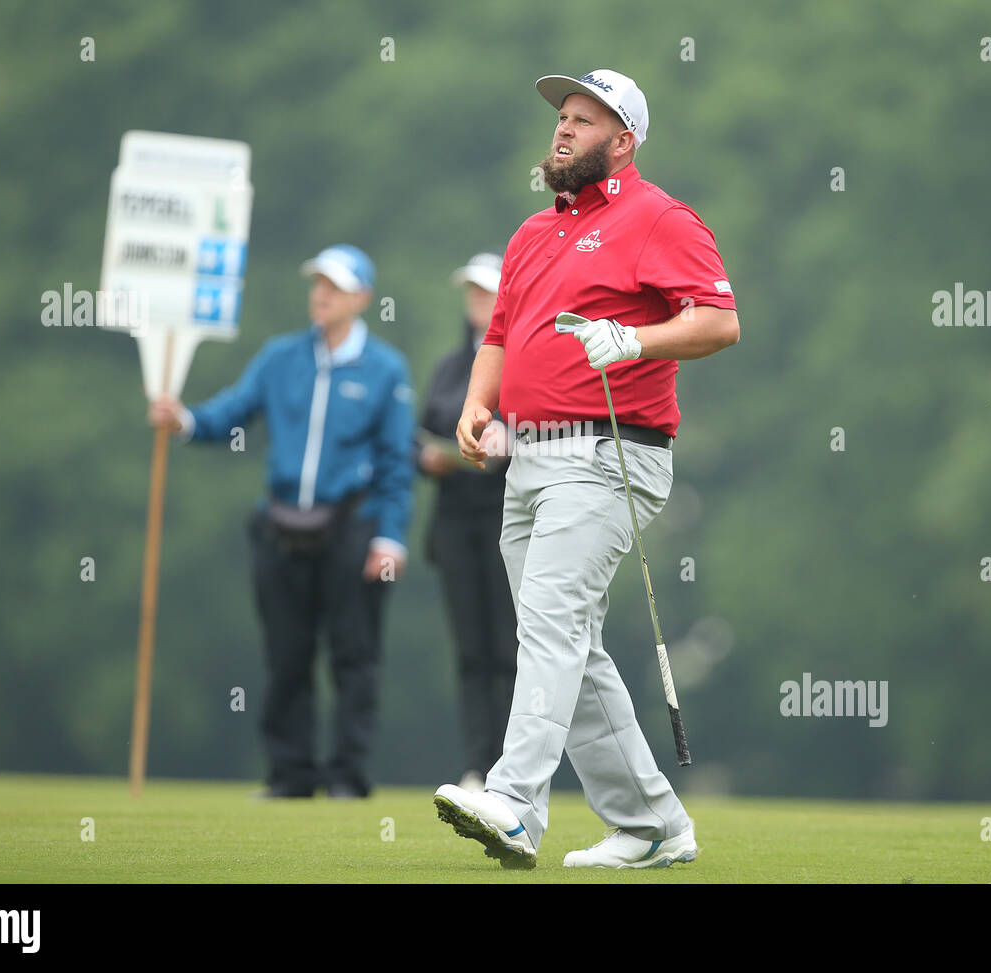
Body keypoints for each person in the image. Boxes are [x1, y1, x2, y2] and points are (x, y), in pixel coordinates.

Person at [432, 69, 740, 868]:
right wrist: (478, 404)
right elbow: (499, 333)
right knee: (568, 639)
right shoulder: (534, 232)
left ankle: (514, 802)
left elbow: (717, 321)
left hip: (610, 454)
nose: (563, 130)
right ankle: (650, 823)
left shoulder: (659, 218)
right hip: (527, 458)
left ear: (623, 140)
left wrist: (635, 339)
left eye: (585, 119)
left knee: (552, 620)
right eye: (562, 117)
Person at [149, 244, 414, 799]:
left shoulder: (385, 369)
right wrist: (185, 420)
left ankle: (346, 775)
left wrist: (390, 535)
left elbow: (397, 462)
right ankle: (290, 774)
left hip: (354, 529)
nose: (322, 294)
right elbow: (231, 413)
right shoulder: (281, 357)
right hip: (281, 527)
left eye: (336, 287)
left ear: (362, 298)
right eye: (318, 283)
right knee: (286, 655)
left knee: (353, 657)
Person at [418, 253, 517, 793]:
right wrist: (430, 458)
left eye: (487, 293)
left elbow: (526, 434)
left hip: (506, 519)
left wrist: (502, 443)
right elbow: (419, 436)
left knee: (507, 648)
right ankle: (479, 765)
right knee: (470, 651)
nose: (478, 302)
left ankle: (510, 766)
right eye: (472, 293)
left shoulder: (520, 360)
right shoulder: (448, 368)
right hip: (455, 523)